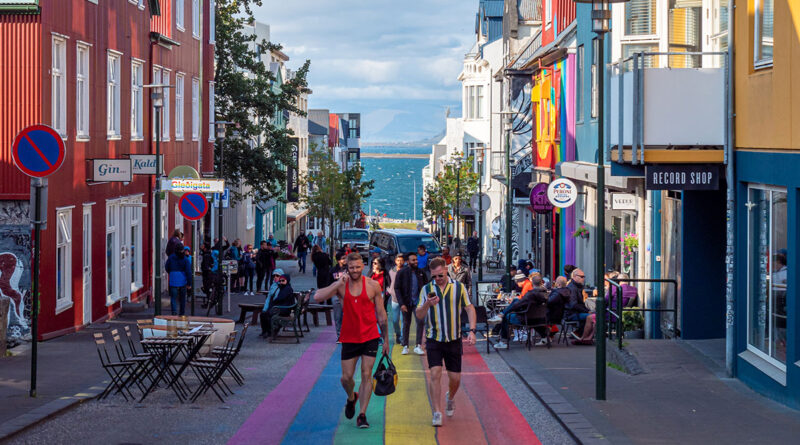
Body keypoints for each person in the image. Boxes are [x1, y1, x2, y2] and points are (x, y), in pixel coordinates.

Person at [313, 253, 388, 429]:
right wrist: (338, 283)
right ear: (347, 267)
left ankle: (362, 414)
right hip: (349, 337)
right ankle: (351, 397)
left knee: (366, 374)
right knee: (346, 378)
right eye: (351, 267)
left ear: (363, 266)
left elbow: (382, 314)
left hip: (370, 336)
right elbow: (317, 297)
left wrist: (385, 339)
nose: (354, 270)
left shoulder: (373, 285)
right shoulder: (341, 285)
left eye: (357, 267)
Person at [416, 257, 476, 427]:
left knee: (455, 378)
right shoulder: (426, 289)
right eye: (434, 276)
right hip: (434, 339)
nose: (437, 279)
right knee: (434, 374)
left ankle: (450, 397)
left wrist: (472, 331)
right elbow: (419, 315)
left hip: (453, 339)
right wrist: (427, 304)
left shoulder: (459, 287)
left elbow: (469, 308)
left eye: (440, 275)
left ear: (446, 270)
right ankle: (436, 411)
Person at [490, 275, 549, 349]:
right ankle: (544, 337)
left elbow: (519, 304)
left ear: (532, 283)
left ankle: (503, 341)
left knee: (506, 316)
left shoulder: (530, 294)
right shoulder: (546, 293)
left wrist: (512, 307)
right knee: (533, 315)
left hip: (526, 319)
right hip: (541, 318)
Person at [396, 252, 429, 355]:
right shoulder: (402, 272)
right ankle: (405, 346)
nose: (416, 261)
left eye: (416, 259)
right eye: (413, 260)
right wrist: (401, 303)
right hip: (406, 303)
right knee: (406, 323)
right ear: (407, 262)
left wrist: (425, 301)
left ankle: (418, 345)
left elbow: (426, 286)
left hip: (418, 303)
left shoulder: (421, 272)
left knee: (420, 322)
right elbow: (397, 288)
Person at [260, 272, 295, 338]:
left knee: (268, 314)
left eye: (283, 280)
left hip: (285, 309)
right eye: (280, 280)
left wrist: (274, 303)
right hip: (282, 308)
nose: (281, 282)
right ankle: (267, 331)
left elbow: (280, 298)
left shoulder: (287, 289)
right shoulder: (283, 288)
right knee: (264, 314)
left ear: (287, 280)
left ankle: (270, 331)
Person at [566, 269, 595, 344]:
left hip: (576, 312)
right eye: (581, 277)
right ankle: (583, 337)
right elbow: (573, 305)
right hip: (572, 313)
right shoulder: (572, 288)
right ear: (575, 277)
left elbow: (579, 304)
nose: (583, 278)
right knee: (591, 316)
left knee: (593, 315)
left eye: (584, 277)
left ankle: (584, 336)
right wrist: (587, 311)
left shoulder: (577, 287)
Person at [165, 245, 192, 315]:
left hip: (173, 279)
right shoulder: (185, 259)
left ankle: (174, 312)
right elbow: (188, 272)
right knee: (182, 298)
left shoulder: (171, 257)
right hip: (183, 280)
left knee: (173, 297)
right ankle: (181, 313)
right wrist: (189, 283)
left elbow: (166, 267)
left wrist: (171, 272)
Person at [329, 252, 349, 340]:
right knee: (338, 317)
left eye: (346, 258)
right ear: (338, 260)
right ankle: (340, 336)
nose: (345, 260)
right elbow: (329, 284)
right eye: (343, 258)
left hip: (349, 295)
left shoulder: (350, 269)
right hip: (337, 296)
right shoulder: (333, 270)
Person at [387, 255, 405, 344]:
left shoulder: (406, 271)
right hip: (394, 299)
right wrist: (389, 290)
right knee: (395, 320)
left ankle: (402, 337)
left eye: (401, 260)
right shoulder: (391, 271)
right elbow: (388, 282)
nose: (400, 262)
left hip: (404, 299)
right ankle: (398, 334)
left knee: (403, 320)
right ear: (395, 261)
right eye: (398, 260)